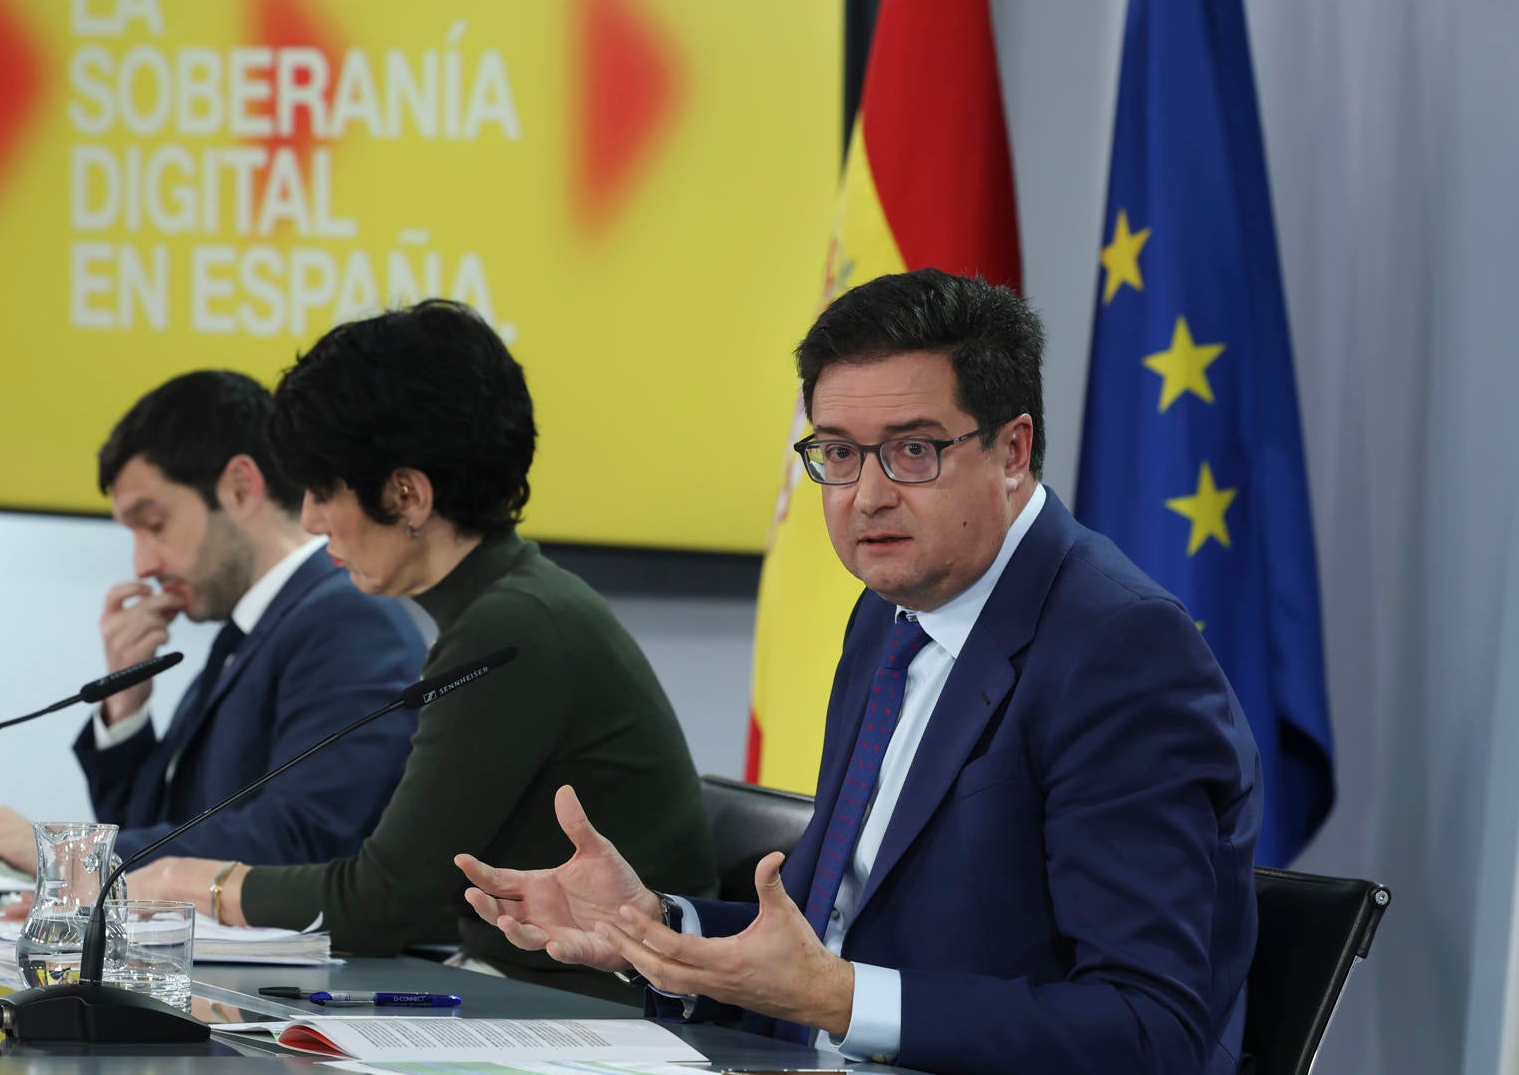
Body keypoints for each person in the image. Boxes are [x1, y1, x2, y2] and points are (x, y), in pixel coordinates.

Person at [457, 271, 1262, 1073]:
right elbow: (833, 937)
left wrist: (837, 1000)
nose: (866, 496)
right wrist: (658, 927)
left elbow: (1151, 1030)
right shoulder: (888, 616)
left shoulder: (1119, 649)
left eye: (913, 451)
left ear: (1012, 451)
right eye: (838, 453)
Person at [129, 302, 716, 1000]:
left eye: (322, 491)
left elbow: (382, 902)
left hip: (598, 1022)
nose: (312, 520)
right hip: (517, 994)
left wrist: (191, 881)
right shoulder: (505, 606)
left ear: (407, 494)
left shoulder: (513, 627)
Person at [0, 370, 426, 873]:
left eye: (155, 525)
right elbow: (159, 829)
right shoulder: (250, 632)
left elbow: (301, 837)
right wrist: (126, 703)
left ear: (239, 488)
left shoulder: (349, 621)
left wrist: (71, 856)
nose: (142, 565)